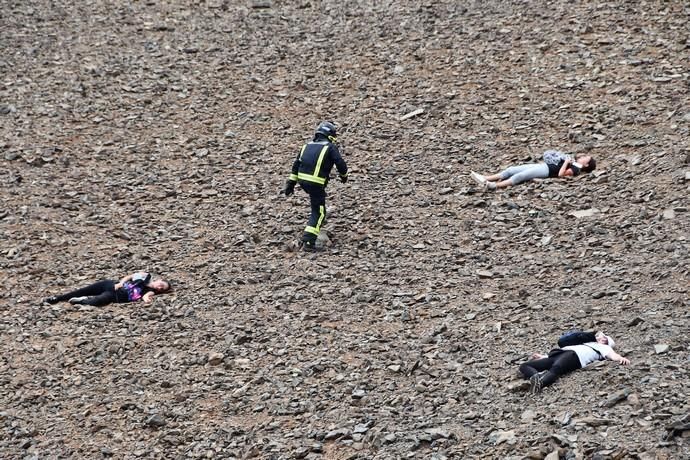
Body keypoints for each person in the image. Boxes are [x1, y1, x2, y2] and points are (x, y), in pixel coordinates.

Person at [283, 121, 348, 251]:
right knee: (319, 212)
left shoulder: (306, 146)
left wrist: (291, 183)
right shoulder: (329, 147)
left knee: (315, 208)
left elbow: (296, 165)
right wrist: (344, 176)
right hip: (316, 182)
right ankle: (308, 242)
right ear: (330, 136)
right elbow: (340, 163)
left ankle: (309, 236)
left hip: (303, 181)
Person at [519, 331, 630, 393]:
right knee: (525, 365)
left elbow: (612, 355)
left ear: (605, 342)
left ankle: (540, 384)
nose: (600, 338)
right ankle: (536, 377)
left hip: (575, 357)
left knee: (556, 368)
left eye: (603, 338)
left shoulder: (604, 348)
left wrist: (620, 358)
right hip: (558, 353)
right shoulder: (586, 343)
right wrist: (543, 356)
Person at [470, 150, 596, 190]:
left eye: (586, 158)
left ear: (586, 165)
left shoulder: (575, 169)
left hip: (546, 172)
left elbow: (561, 174)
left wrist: (567, 163)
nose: (583, 156)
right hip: (542, 166)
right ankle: (486, 177)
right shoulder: (572, 161)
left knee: (521, 176)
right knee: (512, 169)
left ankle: (495, 185)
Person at [43, 272, 171, 306]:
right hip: (112, 285)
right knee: (83, 289)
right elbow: (130, 276)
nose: (159, 287)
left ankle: (81, 301)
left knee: (98, 301)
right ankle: (56, 299)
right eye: (161, 284)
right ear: (159, 279)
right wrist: (121, 283)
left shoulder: (150, 291)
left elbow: (145, 297)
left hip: (116, 296)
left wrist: (148, 299)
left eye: (162, 289)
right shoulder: (145, 276)